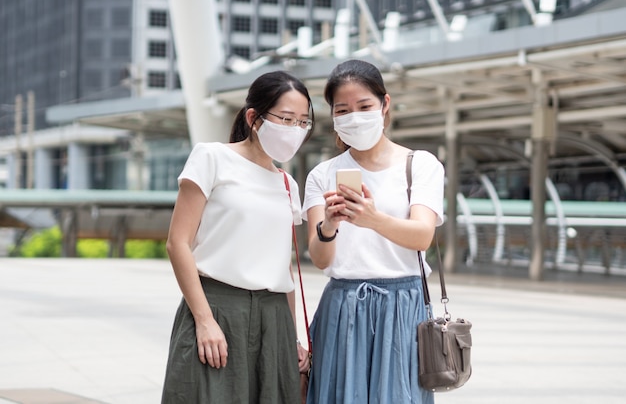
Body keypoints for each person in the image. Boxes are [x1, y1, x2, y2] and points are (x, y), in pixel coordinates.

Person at [161, 70, 314, 403]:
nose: (295, 130)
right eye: (286, 119)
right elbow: (178, 243)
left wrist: (293, 338)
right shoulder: (212, 157)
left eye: (303, 122)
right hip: (217, 306)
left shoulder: (288, 185)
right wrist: (204, 320)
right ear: (253, 118)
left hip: (274, 319)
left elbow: (283, 268)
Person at [302, 59, 444, 404]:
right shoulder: (322, 174)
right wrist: (330, 225)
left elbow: (422, 236)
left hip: (404, 305)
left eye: (364, 106)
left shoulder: (419, 165)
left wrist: (372, 218)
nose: (354, 116)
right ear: (333, 117)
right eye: (343, 110)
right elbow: (320, 259)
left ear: (385, 104)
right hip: (343, 305)